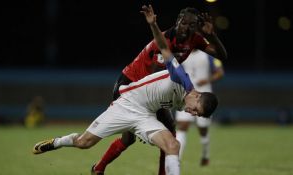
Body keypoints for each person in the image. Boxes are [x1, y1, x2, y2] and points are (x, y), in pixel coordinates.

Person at [32, 5, 219, 175]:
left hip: (145, 115)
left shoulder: (186, 99)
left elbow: (218, 54)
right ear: (197, 95)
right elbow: (166, 53)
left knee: (172, 144)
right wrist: (153, 25)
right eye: (196, 110)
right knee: (84, 143)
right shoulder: (181, 79)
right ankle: (57, 142)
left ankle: (100, 169)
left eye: (196, 114)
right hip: (127, 102)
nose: (192, 114)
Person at [92, 4, 227, 175]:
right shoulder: (164, 40)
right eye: (184, 23)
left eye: (192, 25)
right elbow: (156, 77)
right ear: (178, 21)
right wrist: (148, 117)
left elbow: (221, 56)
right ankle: (99, 168)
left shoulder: (194, 40)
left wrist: (212, 35)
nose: (187, 27)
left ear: (197, 27)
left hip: (149, 88)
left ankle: (98, 168)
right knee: (166, 133)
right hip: (130, 84)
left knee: (134, 138)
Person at [175, 49, 224, 166]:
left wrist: (207, 80)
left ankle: (205, 155)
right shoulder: (183, 53)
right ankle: (177, 159)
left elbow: (220, 72)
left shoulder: (208, 55)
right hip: (187, 95)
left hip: (204, 100)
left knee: (203, 130)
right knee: (182, 125)